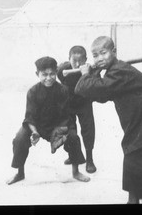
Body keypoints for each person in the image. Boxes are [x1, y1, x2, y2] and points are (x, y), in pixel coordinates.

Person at [74, 36, 142, 204]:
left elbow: (88, 88)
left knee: (134, 153)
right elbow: (103, 95)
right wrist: (94, 73)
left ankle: (133, 200)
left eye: (103, 53)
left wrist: (85, 75)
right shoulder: (114, 71)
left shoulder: (120, 70)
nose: (99, 58)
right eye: (95, 55)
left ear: (114, 52)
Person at [7, 56, 90, 185]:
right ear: (37, 74)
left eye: (52, 74)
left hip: (58, 125)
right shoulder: (32, 92)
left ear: (56, 72)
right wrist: (34, 132)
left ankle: (75, 171)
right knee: (19, 139)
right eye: (44, 74)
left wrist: (59, 131)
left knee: (74, 137)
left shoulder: (63, 90)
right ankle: (20, 173)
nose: (49, 78)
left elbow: (66, 116)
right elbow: (29, 117)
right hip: (36, 126)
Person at [57, 46, 97, 173]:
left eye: (81, 61)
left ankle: (89, 160)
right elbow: (60, 80)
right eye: (74, 61)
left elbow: (94, 85)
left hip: (84, 102)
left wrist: (89, 72)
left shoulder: (90, 70)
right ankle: (74, 156)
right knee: (69, 131)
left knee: (88, 131)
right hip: (68, 103)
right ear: (69, 59)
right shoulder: (62, 69)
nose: (78, 64)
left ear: (86, 59)